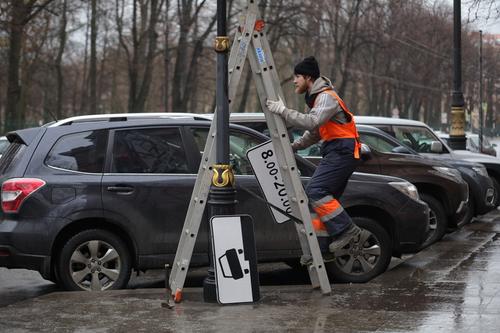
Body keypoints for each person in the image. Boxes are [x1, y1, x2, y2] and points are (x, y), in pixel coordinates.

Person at [266, 56, 362, 263]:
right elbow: (316, 132)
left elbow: (312, 122)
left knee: (315, 191)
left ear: (308, 77)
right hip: (337, 151)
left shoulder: (326, 97)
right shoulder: (318, 98)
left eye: (297, 76)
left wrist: (284, 111)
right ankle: (323, 250)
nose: (294, 81)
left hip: (342, 151)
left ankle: (347, 230)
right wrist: (293, 147)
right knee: (322, 204)